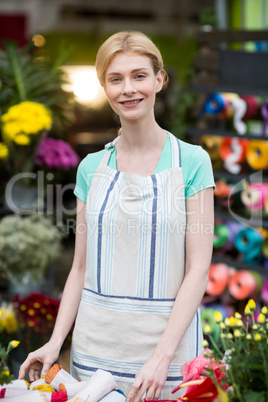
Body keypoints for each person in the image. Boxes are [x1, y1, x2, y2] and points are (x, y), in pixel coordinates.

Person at [19, 31, 215, 401]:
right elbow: (79, 268)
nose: (128, 89)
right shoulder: (91, 168)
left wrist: (161, 358)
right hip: (96, 353)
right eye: (116, 78)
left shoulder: (192, 162)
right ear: (105, 88)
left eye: (139, 75)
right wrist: (55, 342)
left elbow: (198, 269)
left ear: (159, 79)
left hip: (166, 358)